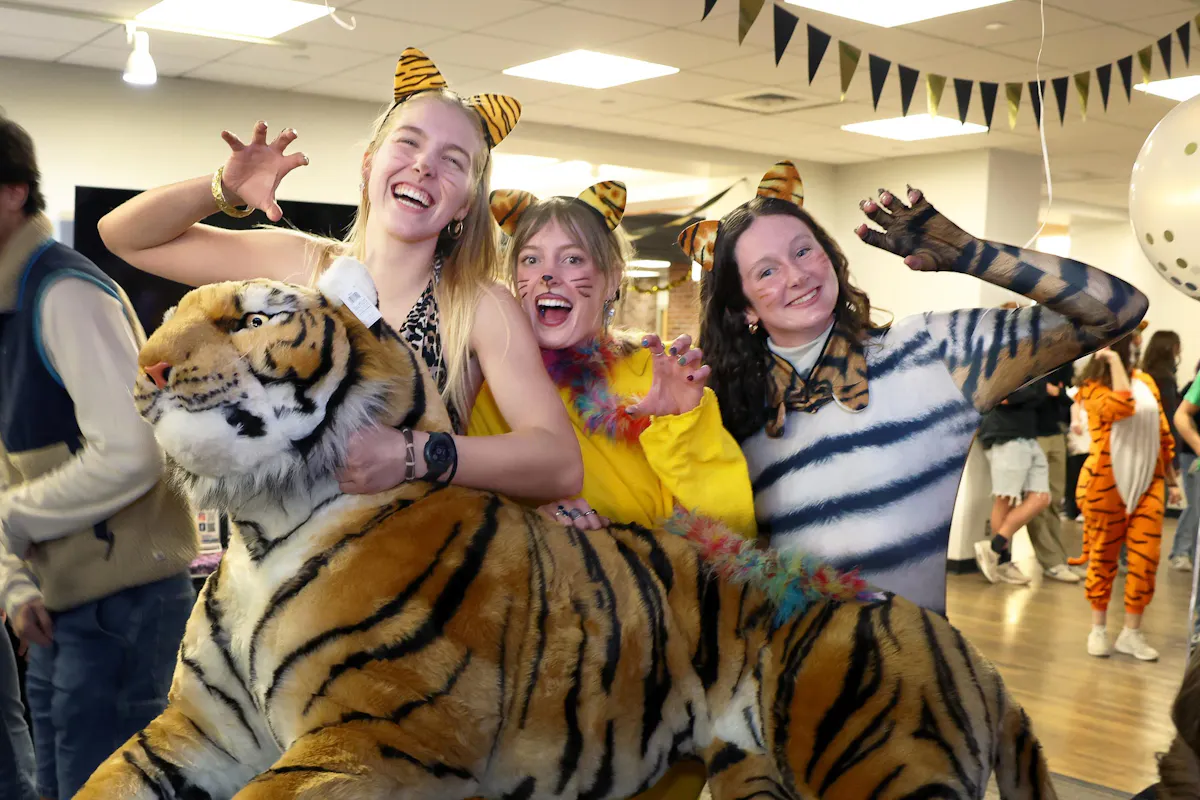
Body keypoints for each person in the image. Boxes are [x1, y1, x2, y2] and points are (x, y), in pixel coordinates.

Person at [97, 47, 582, 501]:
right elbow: (126, 236)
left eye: (452, 161)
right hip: (273, 569)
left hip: (402, 567)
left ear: (465, 204)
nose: (423, 165)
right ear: (369, 165)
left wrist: (410, 455)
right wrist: (225, 188)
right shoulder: (299, 266)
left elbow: (559, 462)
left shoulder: (476, 306)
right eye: (409, 142)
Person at [688, 160, 1148, 613]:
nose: (796, 275)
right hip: (788, 677)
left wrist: (971, 253)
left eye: (804, 251)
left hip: (915, 674)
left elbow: (1120, 308)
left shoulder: (934, 350)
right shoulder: (724, 410)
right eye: (766, 272)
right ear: (743, 308)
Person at [470, 181, 756, 800]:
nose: (549, 276)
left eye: (573, 259)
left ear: (610, 277)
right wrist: (534, 519)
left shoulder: (655, 371)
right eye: (531, 259)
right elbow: (460, 510)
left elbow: (729, 531)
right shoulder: (483, 387)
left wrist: (677, 421)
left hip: (654, 662)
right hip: (529, 672)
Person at [0, 116, 197, 798]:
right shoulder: (12, 301)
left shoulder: (63, 293)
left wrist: (12, 520)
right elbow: (12, 463)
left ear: (13, 193)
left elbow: (131, 454)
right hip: (65, 604)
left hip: (123, 605)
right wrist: (15, 582)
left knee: (102, 785)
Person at [1075, 337, 1180, 660]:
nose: (1136, 347)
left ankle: (1131, 633)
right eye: (1129, 344)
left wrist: (1173, 480)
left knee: (1146, 559)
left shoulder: (1146, 380)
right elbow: (1122, 406)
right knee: (1104, 557)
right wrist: (1114, 363)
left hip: (1149, 482)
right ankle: (1098, 629)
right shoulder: (1090, 388)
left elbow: (1161, 431)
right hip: (1106, 484)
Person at [974, 380, 1051, 585]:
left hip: (1026, 435)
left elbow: (1038, 394)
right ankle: (1002, 562)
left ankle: (993, 548)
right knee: (1005, 499)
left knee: (1041, 497)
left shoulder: (1035, 364)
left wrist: (1032, 393)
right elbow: (1001, 395)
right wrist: (1031, 393)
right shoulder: (1007, 359)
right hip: (1004, 435)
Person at [1022, 364, 1082, 582]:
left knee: (1056, 500)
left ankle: (1059, 560)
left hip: (1055, 432)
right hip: (1033, 435)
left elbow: (1064, 396)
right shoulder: (1029, 361)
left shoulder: (1061, 363)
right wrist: (1044, 390)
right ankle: (1051, 562)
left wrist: (1056, 393)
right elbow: (1023, 397)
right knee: (1036, 500)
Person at [1172, 360, 1200, 572]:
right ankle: (1180, 552)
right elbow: (1181, 417)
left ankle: (1188, 553)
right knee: (1194, 508)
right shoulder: (1191, 388)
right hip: (1191, 457)